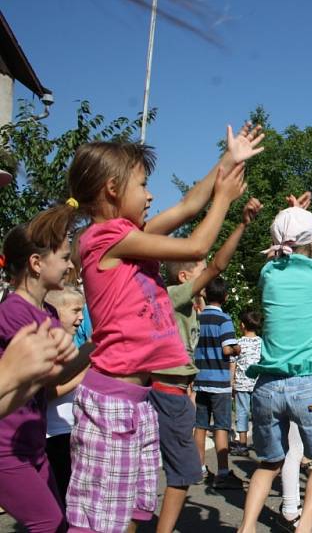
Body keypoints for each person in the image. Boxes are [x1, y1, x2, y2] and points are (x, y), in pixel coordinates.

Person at [65, 125, 258, 532]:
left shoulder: (126, 237)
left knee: (135, 509)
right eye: (143, 184)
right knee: (103, 520)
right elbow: (195, 247)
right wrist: (222, 200)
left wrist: (228, 161)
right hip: (112, 401)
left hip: (139, 398)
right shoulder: (104, 239)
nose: (151, 195)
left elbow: (188, 205)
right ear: (114, 189)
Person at [155, 193, 263, 533]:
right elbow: (218, 264)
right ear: (187, 279)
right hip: (177, 390)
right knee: (195, 453)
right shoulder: (179, 297)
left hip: (188, 385)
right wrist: (241, 224)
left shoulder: (190, 310)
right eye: (199, 268)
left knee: (171, 468)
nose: (207, 269)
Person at [238, 206, 312, 533]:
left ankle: (246, 528)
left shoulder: (269, 273)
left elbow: (291, 249)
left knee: (269, 463)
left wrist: (295, 216)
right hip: (310, 385)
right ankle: (305, 524)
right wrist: (308, 221)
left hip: (267, 386)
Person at [0, 208, 91, 533]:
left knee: (58, 522)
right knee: (49, 522)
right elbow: (53, 376)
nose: (70, 265)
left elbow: (63, 372)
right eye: (64, 257)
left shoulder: (48, 314)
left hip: (33, 443)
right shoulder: (13, 312)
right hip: (6, 448)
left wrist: (98, 344)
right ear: (36, 264)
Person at [193, 277, 242, 489]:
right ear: (226, 297)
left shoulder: (198, 319)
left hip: (200, 378)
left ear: (205, 295)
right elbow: (227, 349)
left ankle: (198, 469)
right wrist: (237, 348)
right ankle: (222, 472)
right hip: (219, 381)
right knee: (221, 426)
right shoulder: (225, 320)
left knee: (200, 426)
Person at [44, 285, 90, 506]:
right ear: (54, 312)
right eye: (75, 311)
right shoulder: (47, 348)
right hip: (53, 435)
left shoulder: (70, 345)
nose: (81, 318)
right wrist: (83, 376)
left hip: (72, 430)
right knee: (63, 498)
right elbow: (48, 393)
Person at [231, 310, 264, 455]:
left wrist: (231, 381)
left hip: (242, 384)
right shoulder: (262, 342)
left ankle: (242, 444)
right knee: (259, 413)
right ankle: (259, 443)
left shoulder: (238, 343)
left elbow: (233, 364)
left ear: (242, 325)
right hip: (259, 384)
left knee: (242, 413)